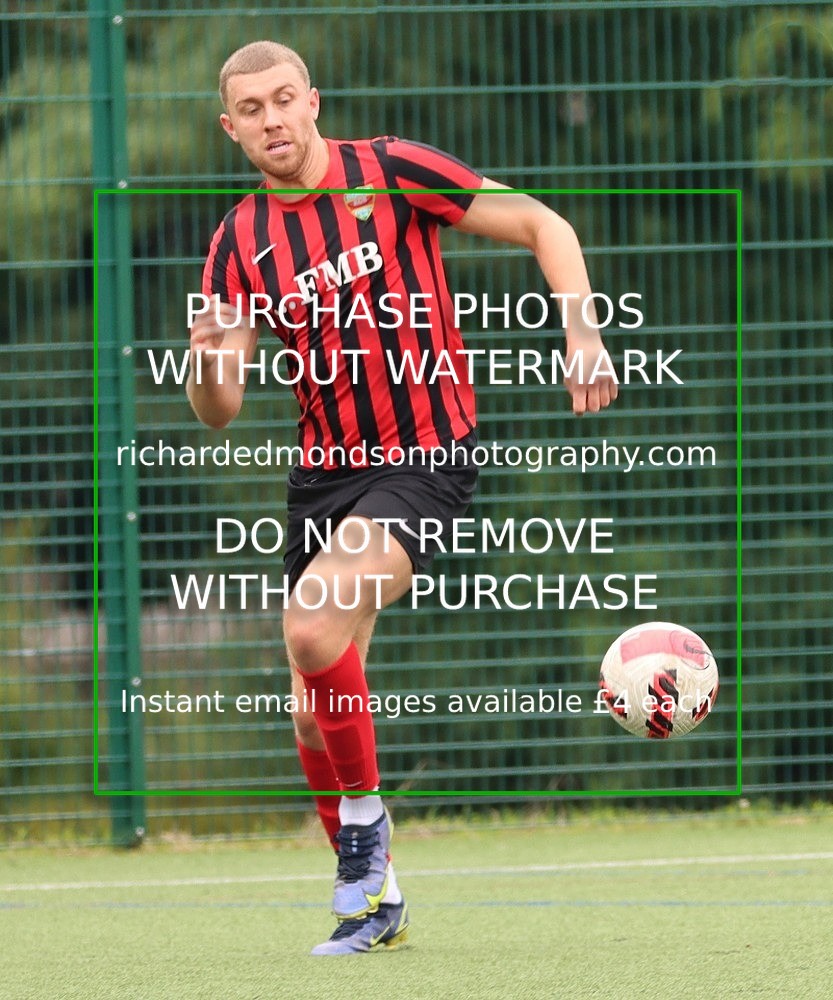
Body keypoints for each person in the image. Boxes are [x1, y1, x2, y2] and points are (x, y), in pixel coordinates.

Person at [187, 40, 617, 956]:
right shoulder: (235, 242)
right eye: (251, 110)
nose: (271, 120)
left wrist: (581, 331)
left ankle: (363, 839)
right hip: (323, 475)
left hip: (425, 451)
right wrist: (206, 363)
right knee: (310, 706)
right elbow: (219, 411)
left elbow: (546, 225)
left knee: (309, 629)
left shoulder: (388, 170)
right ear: (231, 129)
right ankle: (376, 902)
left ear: (313, 102)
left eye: (284, 99)